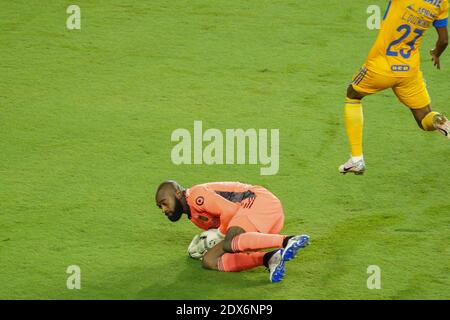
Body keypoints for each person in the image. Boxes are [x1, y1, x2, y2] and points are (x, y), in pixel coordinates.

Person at [340, 0, 450, 175]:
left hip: (381, 66)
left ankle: (356, 158)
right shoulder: (442, 3)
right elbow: (444, 40)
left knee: (352, 95)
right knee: (424, 119)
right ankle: (440, 121)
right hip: (409, 71)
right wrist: (436, 53)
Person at [155, 180, 310, 283]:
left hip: (259, 202)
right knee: (210, 261)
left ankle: (288, 240)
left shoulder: (196, 196)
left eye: (164, 203)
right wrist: (206, 246)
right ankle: (270, 258)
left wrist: (219, 234)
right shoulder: (193, 216)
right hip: (252, 224)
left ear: (177, 193)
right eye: (160, 207)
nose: (163, 210)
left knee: (229, 241)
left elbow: (230, 212)